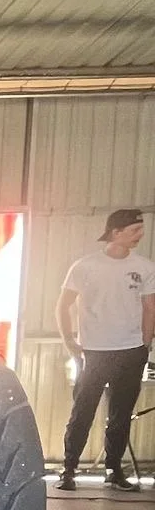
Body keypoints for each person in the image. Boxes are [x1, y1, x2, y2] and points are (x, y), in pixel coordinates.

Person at [55, 208, 155, 490]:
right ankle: (69, 470)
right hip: (93, 351)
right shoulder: (85, 266)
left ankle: (113, 471)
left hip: (131, 351)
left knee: (121, 415)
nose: (140, 235)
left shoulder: (145, 267)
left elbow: (150, 307)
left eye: (141, 230)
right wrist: (68, 340)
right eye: (134, 230)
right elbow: (63, 305)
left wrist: (144, 344)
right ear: (116, 232)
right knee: (82, 412)